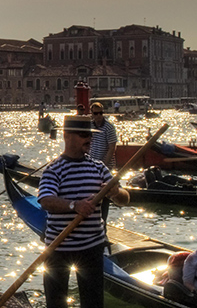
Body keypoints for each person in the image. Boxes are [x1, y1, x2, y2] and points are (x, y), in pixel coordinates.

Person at [38, 115, 129, 308]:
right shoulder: (53, 170)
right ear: (66, 136)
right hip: (59, 247)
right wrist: (74, 205)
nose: (88, 139)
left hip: (92, 247)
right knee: (56, 303)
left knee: (93, 303)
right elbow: (46, 200)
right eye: (83, 135)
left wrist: (115, 192)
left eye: (90, 135)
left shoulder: (98, 167)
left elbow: (125, 199)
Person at [88, 102, 118, 169]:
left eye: (101, 113)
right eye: (96, 113)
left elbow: (112, 148)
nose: (99, 115)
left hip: (107, 166)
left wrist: (103, 166)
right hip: (92, 164)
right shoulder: (90, 126)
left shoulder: (109, 127)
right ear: (92, 114)